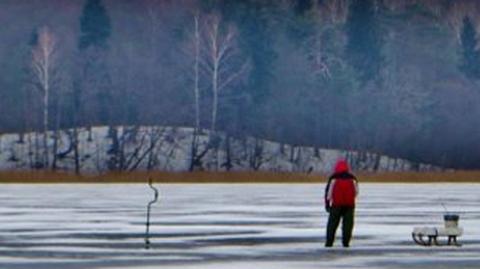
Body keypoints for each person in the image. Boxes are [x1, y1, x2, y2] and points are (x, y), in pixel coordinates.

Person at [324, 159, 358, 247]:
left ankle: (329, 242)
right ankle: (346, 242)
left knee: (332, 224)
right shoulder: (353, 178)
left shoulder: (333, 178)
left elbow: (328, 192)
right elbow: (356, 192)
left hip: (336, 205)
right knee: (348, 225)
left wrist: (327, 204)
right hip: (349, 205)